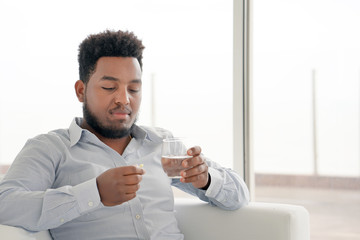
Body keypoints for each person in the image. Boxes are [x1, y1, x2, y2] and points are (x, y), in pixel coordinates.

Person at [0, 30, 249, 240]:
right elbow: (6, 204)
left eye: (134, 88)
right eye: (109, 87)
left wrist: (206, 179)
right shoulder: (51, 148)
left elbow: (240, 196)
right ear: (80, 91)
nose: (124, 99)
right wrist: (94, 193)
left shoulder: (161, 143)